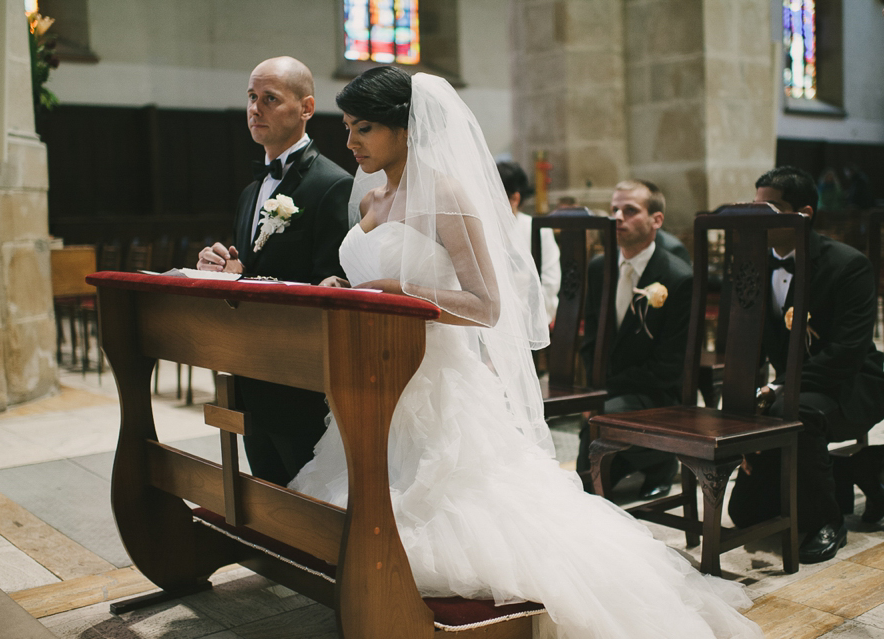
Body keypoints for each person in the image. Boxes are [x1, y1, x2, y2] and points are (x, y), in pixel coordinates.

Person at [290, 66, 761, 639]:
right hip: (372, 378)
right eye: (348, 127)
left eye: (363, 128)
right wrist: (344, 289)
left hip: (435, 383)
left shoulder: (445, 194)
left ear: (405, 127)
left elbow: (485, 304)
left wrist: (394, 290)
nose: (351, 141)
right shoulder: (371, 198)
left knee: (461, 521)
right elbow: (365, 275)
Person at [196, 56, 353, 485]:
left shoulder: (332, 184)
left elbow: (333, 284)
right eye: (251, 98)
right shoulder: (251, 191)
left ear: (306, 108)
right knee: (268, 492)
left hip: (298, 377)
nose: (255, 109)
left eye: (270, 99)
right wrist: (225, 269)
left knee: (309, 493)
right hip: (250, 367)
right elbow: (250, 267)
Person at [728, 166, 884, 563]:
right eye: (756, 205)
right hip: (793, 386)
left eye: (772, 207)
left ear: (805, 213)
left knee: (789, 408)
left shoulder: (848, 265)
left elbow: (849, 351)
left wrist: (779, 388)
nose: (760, 215)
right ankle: (782, 500)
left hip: (852, 383)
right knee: (743, 514)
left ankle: (826, 521)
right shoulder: (754, 264)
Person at [576, 179, 693, 499]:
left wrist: (604, 391)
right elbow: (591, 340)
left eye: (630, 210)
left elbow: (668, 366)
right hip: (610, 389)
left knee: (594, 438)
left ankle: (661, 461)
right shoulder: (599, 268)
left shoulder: (677, 278)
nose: (617, 217)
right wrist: (591, 391)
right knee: (590, 462)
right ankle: (626, 464)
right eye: (614, 209)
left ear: (657, 220)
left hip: (655, 394)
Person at [497, 160, 561, 322]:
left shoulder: (538, 230)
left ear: (514, 199)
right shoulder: (481, 228)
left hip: (530, 314)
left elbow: (551, 281)